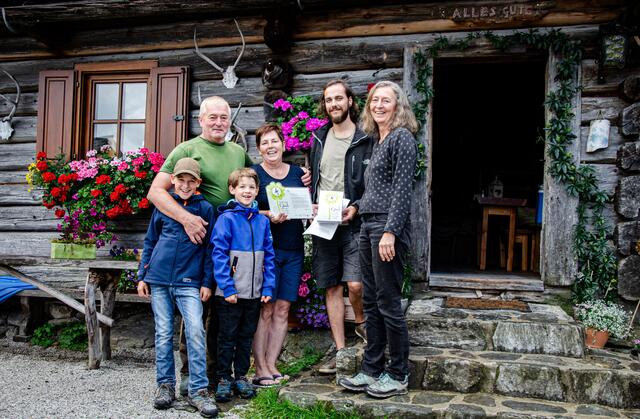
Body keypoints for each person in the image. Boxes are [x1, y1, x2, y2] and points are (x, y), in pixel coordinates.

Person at [148, 96, 310, 394]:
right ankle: (192, 372)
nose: (219, 122)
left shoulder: (237, 151)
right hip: (197, 240)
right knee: (198, 308)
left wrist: (299, 178)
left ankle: (221, 374)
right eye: (213, 117)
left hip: (237, 247)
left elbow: (256, 180)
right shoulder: (187, 150)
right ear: (201, 119)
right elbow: (156, 192)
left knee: (227, 314)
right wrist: (187, 219)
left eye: (224, 117)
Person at [338, 81, 418, 398]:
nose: (379, 105)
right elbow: (374, 191)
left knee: (388, 303)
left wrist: (390, 232)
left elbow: (401, 191)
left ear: (398, 106)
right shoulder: (378, 140)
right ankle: (371, 370)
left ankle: (398, 374)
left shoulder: (402, 139)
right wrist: (355, 208)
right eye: (374, 100)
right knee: (371, 303)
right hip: (368, 225)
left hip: (387, 228)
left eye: (386, 100)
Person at [137, 157, 218, 418]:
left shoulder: (205, 209)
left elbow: (209, 249)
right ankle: (165, 386)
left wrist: (207, 282)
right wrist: (142, 275)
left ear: (198, 184)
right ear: (172, 180)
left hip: (189, 282)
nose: (184, 185)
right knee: (162, 334)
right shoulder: (164, 207)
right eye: (180, 180)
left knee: (195, 330)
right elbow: (150, 241)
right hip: (158, 280)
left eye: (190, 181)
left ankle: (198, 390)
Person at [310, 80, 372, 374]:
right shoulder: (319, 138)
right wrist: (310, 201)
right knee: (331, 286)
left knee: (355, 284)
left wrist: (357, 207)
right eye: (328, 100)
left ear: (350, 101)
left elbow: (372, 183)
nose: (333, 104)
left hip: (354, 222)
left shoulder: (365, 139)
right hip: (324, 222)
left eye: (338, 98)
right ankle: (340, 351)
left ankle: (361, 323)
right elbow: (317, 178)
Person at [211, 168, 276, 402]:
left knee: (246, 335)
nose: (247, 191)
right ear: (232, 189)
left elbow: (269, 255)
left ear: (257, 191)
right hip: (230, 293)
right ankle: (223, 378)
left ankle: (240, 376)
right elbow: (218, 255)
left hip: (254, 292)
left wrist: (267, 287)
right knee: (226, 335)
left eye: (251, 187)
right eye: (242, 187)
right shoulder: (225, 219)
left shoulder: (262, 221)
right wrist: (227, 287)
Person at [250, 123, 306, 387]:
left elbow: (307, 203)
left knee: (283, 308)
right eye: (265, 143)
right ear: (259, 148)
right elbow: (244, 209)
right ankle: (259, 367)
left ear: (283, 144)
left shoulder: (298, 174)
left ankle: (272, 364)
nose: (270, 146)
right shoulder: (255, 175)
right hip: (266, 252)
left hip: (294, 249)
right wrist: (267, 215)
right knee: (266, 308)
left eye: (275, 141)